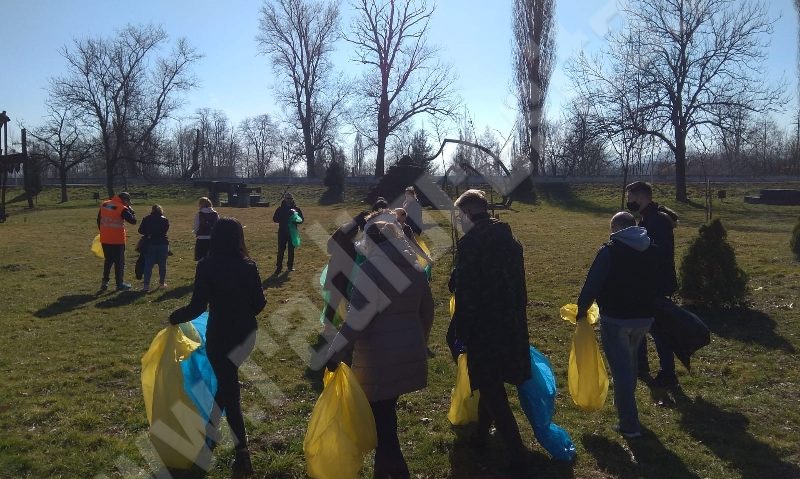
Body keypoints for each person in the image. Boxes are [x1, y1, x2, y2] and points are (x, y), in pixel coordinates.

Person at [315, 220, 434, 479]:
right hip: (408, 352)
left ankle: (399, 471)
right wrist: (420, 343)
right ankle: (384, 470)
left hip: (378, 358)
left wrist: (334, 354)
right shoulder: (415, 268)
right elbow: (427, 311)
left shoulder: (370, 270)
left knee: (383, 420)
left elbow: (357, 319)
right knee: (385, 414)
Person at [169, 217, 266, 475]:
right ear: (238, 239)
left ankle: (242, 452)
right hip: (246, 334)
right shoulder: (249, 265)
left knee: (229, 392)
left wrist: (173, 318)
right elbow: (259, 304)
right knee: (226, 384)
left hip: (220, 334)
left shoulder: (206, 266)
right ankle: (209, 436)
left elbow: (197, 306)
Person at [446, 189, 530, 472]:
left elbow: (468, 293)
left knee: (492, 387)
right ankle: (481, 436)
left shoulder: (472, 244)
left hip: (484, 326)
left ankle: (517, 453)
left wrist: (462, 332)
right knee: (489, 381)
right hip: (511, 322)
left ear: (468, 213)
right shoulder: (511, 239)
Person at [575, 211, 659, 438]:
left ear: (617, 229)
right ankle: (626, 410)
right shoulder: (651, 248)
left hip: (616, 319)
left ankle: (629, 424)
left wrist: (581, 310)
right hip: (644, 317)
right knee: (629, 364)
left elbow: (593, 283)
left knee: (621, 371)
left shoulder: (610, 250)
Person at [626, 181, 681, 388]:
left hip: (656, 283)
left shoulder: (656, 220)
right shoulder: (650, 217)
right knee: (644, 326)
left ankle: (668, 373)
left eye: (630, 198)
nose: (628, 202)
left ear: (640, 197)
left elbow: (658, 252)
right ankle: (643, 367)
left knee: (658, 331)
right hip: (649, 282)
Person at [322, 211, 369, 330]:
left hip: (335, 265)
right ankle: (355, 325)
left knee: (335, 297)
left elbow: (330, 245)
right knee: (352, 297)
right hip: (350, 270)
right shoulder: (361, 234)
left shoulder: (343, 227)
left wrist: (336, 253)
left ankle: (329, 326)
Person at [97, 191, 137, 291]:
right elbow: (133, 221)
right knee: (119, 262)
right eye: (128, 202)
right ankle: (119, 284)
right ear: (124, 200)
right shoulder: (122, 208)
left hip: (105, 238)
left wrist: (103, 231)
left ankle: (105, 282)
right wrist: (131, 211)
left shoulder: (105, 204)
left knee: (108, 260)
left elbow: (98, 219)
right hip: (117, 240)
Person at [138, 204, 170, 292]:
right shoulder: (165, 220)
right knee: (162, 265)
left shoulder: (146, 219)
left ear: (152, 210)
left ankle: (146, 286)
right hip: (163, 243)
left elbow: (140, 230)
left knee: (148, 265)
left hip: (150, 243)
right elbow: (165, 230)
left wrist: (148, 233)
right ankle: (162, 283)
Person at [272, 192, 304, 275]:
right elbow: (275, 219)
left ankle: (290, 267)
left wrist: (295, 219)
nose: (289, 200)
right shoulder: (280, 209)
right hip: (282, 232)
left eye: (290, 198)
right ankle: (278, 267)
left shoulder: (297, 209)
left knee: (291, 250)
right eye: (287, 198)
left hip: (292, 233)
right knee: (281, 250)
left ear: (292, 199)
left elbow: (302, 220)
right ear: (284, 199)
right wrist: (284, 216)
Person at [193, 197, 219, 261]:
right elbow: (218, 225)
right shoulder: (215, 214)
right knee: (211, 259)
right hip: (212, 238)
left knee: (201, 259)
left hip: (201, 238)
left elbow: (196, 226)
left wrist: (196, 233)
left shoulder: (199, 214)